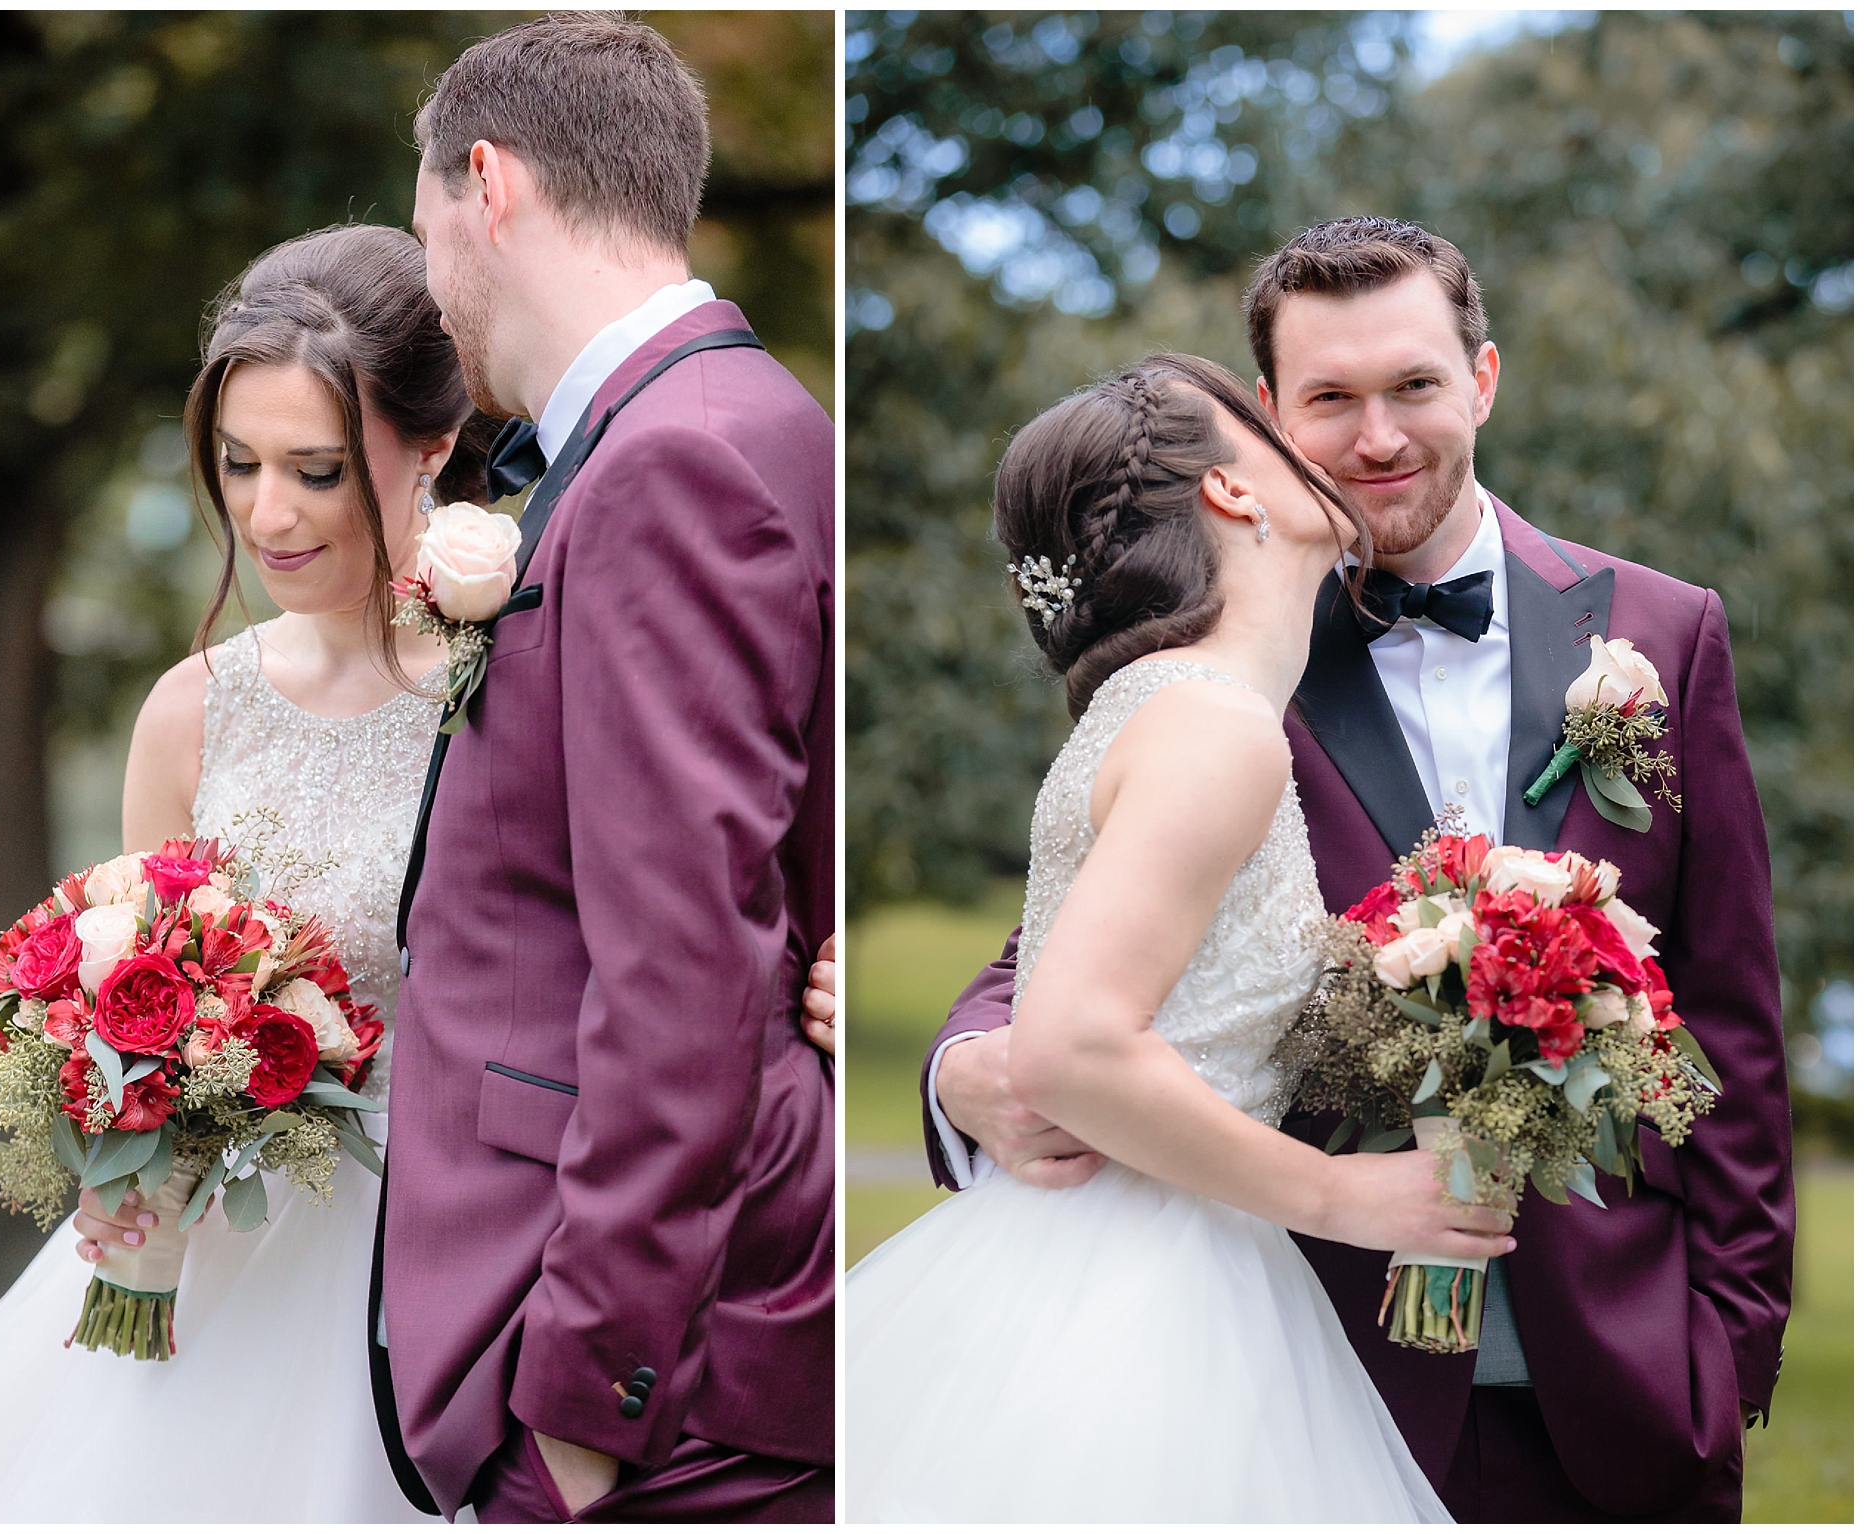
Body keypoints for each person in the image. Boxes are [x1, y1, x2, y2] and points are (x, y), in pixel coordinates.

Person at [924, 219, 1792, 1521]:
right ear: (1268, 421)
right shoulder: (1225, 663)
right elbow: (1053, 947)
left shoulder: (1660, 632)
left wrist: (1726, 1352)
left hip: (1619, 1381)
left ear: (1483, 380)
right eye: (1331, 399)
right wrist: (962, 1070)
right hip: (1315, 1380)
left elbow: (1729, 1016)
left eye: (1415, 388)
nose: (1378, 436)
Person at [0, 222, 477, 1521]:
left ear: (433, 449)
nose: (266, 513)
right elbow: (126, 974)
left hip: (426, 1256)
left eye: (316, 470)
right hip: (217, 1255)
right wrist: (123, 1139)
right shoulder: (194, 709)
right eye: (240, 464)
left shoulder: (487, 691)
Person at [848, 352, 1516, 1522]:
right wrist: (1346, 1196)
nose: (1319, 452)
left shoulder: (1160, 703)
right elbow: (1071, 1046)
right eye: (1268, 434)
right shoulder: (1214, 725)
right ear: (1233, 492)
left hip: (1110, 1256)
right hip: (1148, 1293)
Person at [374, 14, 834, 1525]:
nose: (430, 274)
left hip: (657, 1402)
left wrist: (580, 1419)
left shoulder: (671, 462)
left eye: (426, 214)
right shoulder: (724, 423)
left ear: (486, 183)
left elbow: (686, 974)